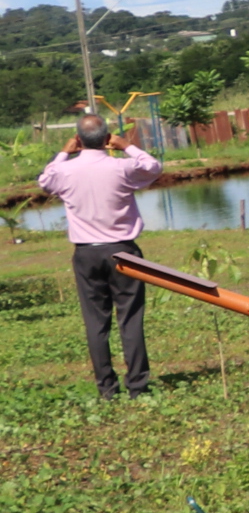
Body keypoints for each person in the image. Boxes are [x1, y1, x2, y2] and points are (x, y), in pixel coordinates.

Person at [38, 113, 161, 400]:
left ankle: (107, 388)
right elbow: (153, 167)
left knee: (96, 322)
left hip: (86, 253)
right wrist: (126, 145)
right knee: (130, 318)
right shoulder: (121, 167)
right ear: (107, 140)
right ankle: (138, 386)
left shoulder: (65, 171)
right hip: (124, 250)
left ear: (78, 141)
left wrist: (62, 153)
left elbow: (45, 181)